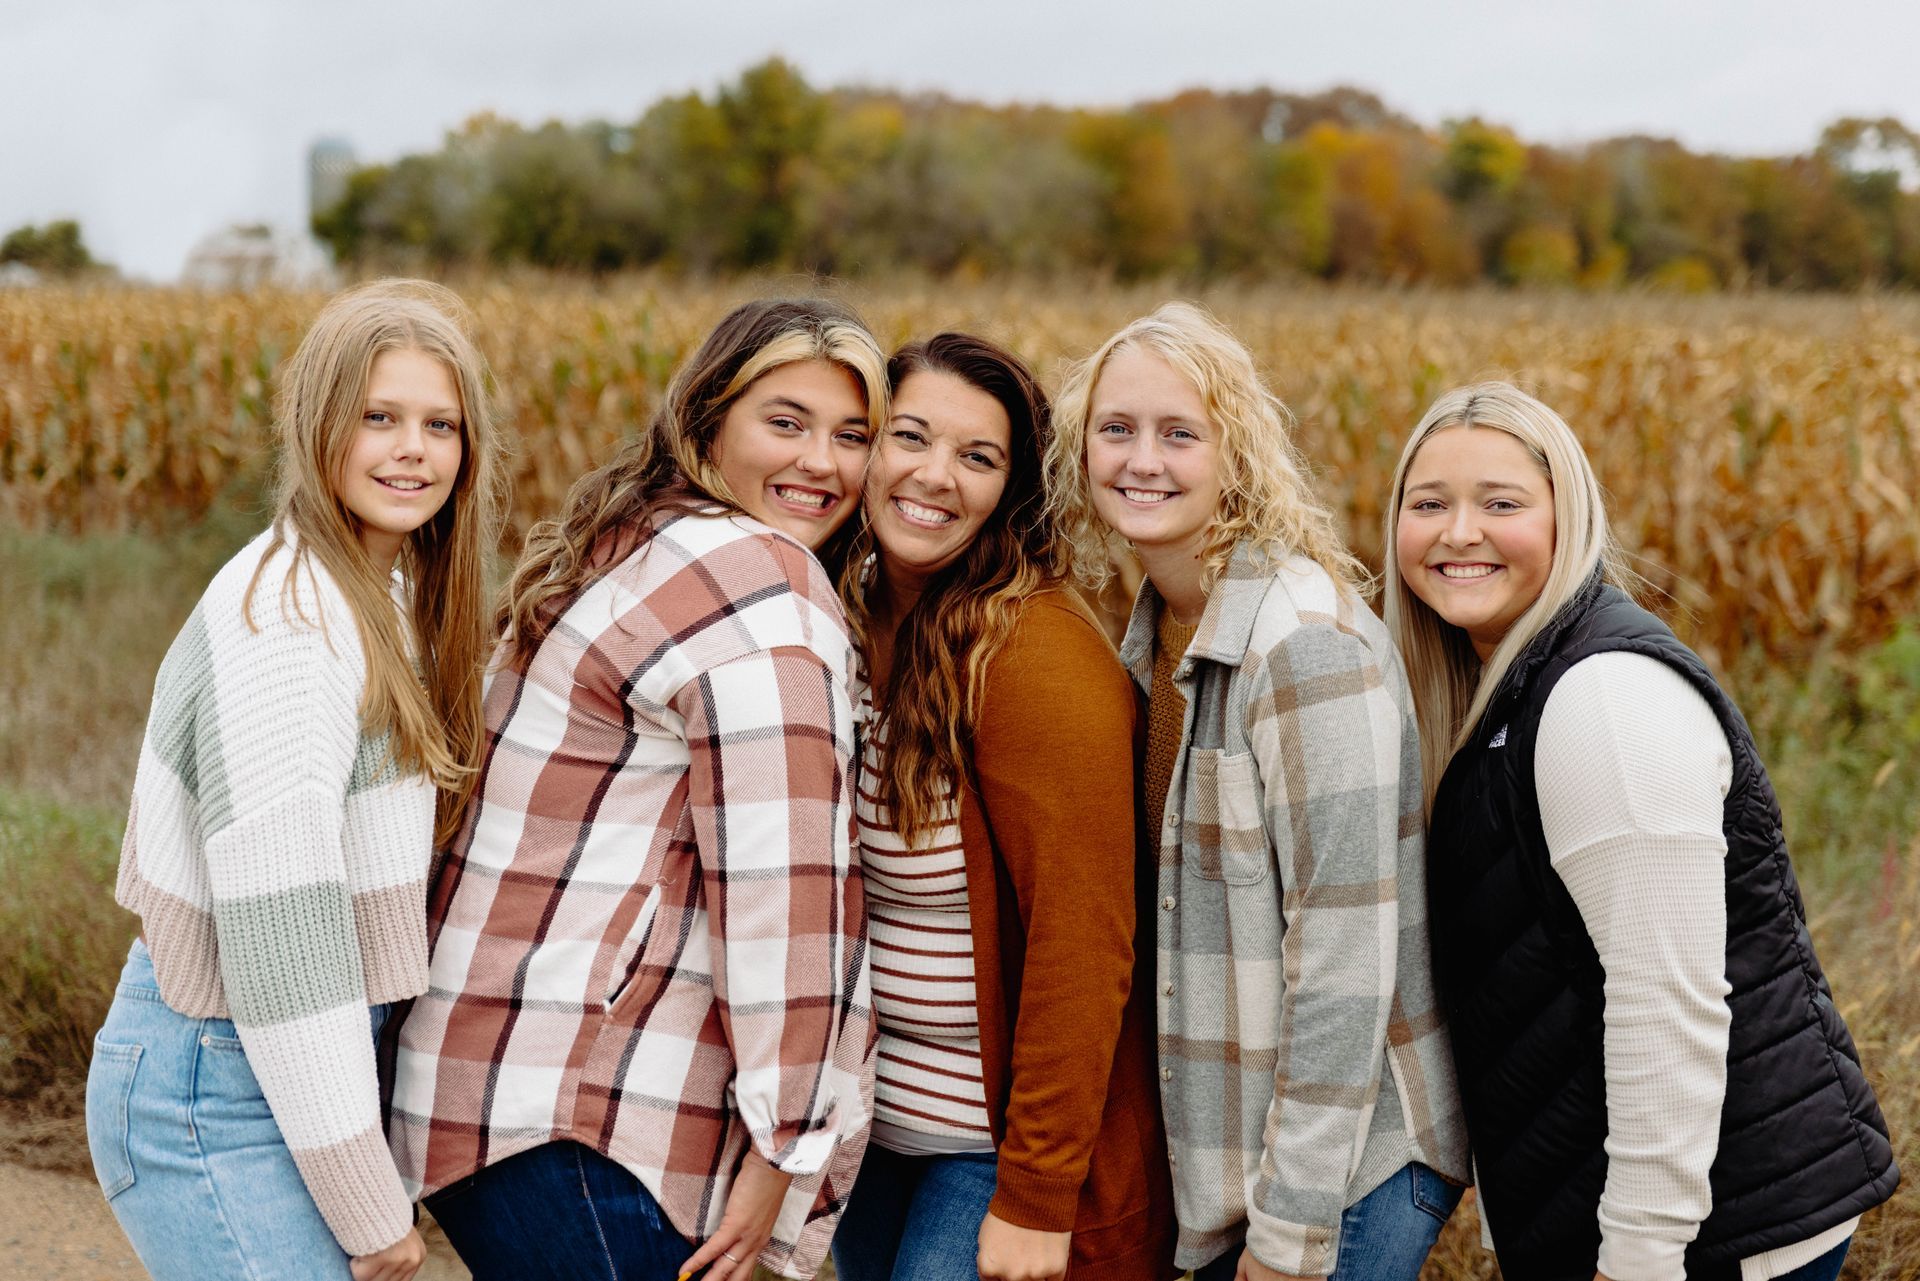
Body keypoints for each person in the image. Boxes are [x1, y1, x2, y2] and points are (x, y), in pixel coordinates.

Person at [389, 298, 884, 1281]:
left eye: (852, 436)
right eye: (785, 423)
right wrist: (788, 1148)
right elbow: (782, 893)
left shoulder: (637, 540)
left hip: (489, 1086)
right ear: (707, 421)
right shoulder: (763, 591)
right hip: (591, 1113)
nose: (821, 463)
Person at [1385, 381, 1899, 1281]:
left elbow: (1667, 1005)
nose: (1458, 531)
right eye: (1429, 503)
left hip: (1716, 1235)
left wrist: (1639, 1256)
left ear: (1566, 518)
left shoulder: (1603, 701)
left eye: (1500, 503)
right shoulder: (1502, 688)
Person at [85, 279, 510, 1281]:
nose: (414, 448)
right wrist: (372, 1214)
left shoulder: (384, 591)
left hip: (276, 1065)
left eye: (440, 424)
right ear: (320, 426)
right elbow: (286, 951)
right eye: (379, 417)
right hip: (216, 1082)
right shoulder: (290, 620)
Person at [1044, 302, 1470, 1281]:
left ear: (1235, 453)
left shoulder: (1300, 646)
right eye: (1118, 429)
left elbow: (1343, 961)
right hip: (1239, 1159)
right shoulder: (1154, 627)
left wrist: (1288, 1240)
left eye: (1178, 433)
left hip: (1351, 1163)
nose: (1141, 460)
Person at [828, 333, 1176, 1281]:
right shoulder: (843, 619)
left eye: (977, 457)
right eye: (910, 437)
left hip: (988, 1151)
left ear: (1012, 490)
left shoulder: (1035, 657)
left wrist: (1036, 1195)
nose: (934, 476)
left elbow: (1084, 939)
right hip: (875, 1138)